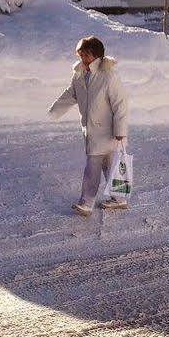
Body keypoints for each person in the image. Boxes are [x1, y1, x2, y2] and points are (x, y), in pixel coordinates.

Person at [48, 36, 129, 217]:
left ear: (97, 56)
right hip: (92, 130)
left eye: (85, 55)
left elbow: (120, 104)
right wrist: (53, 111)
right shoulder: (79, 75)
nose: (82, 59)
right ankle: (120, 199)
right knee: (109, 166)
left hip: (108, 131)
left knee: (93, 167)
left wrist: (120, 131)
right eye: (80, 55)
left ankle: (86, 203)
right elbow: (70, 95)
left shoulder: (108, 76)